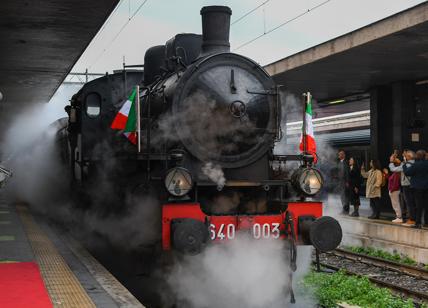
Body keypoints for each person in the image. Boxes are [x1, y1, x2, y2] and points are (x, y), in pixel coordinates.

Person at [389, 150, 416, 226]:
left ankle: (411, 219)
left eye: (406, 156)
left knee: (409, 203)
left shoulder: (406, 165)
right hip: (414, 185)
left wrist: (391, 162)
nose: (405, 157)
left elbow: (393, 169)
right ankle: (413, 219)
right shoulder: (415, 163)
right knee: (413, 203)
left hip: (406, 186)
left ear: (409, 157)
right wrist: (401, 162)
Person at [403, 150, 428, 229]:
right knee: (427, 205)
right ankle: (427, 222)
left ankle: (418, 223)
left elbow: (407, 172)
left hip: (417, 188)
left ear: (417, 156)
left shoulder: (415, 165)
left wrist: (404, 165)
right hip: (426, 187)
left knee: (418, 205)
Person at [337, 150, 350, 214]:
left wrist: (347, 181)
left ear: (344, 155)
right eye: (339, 154)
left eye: (341, 154)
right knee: (342, 196)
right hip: (340, 182)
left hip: (345, 182)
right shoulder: (339, 162)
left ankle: (346, 210)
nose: (339, 155)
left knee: (345, 196)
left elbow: (347, 172)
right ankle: (344, 209)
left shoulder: (346, 162)